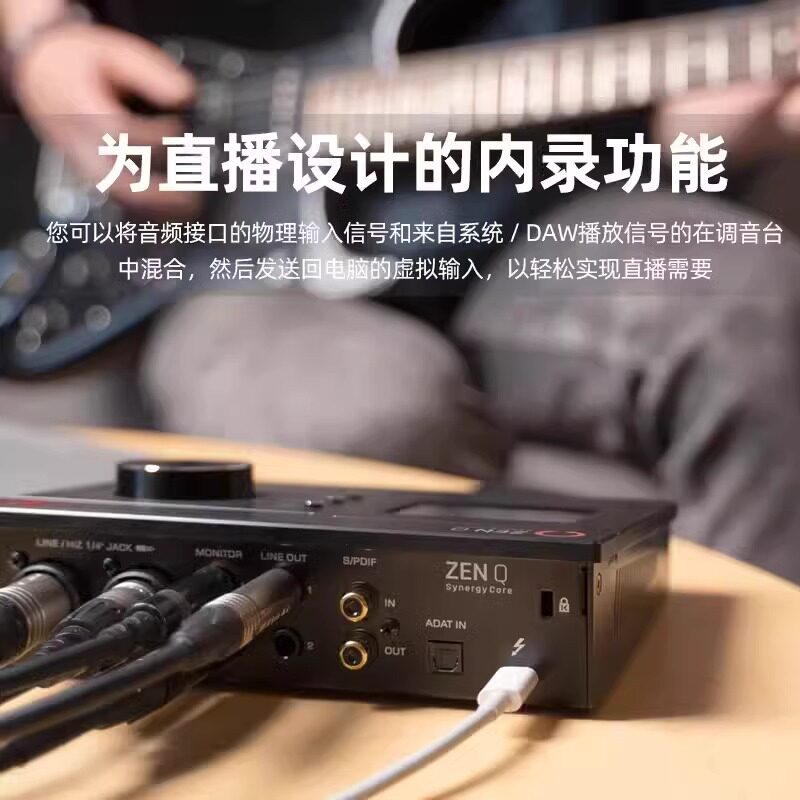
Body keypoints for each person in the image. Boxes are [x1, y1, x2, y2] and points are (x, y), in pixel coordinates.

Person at [3, 0, 800, 581]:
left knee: (747, 297)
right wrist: (41, 36)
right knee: (355, 412)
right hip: (230, 250)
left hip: (534, 201)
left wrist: (697, 129)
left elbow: (680, 68)